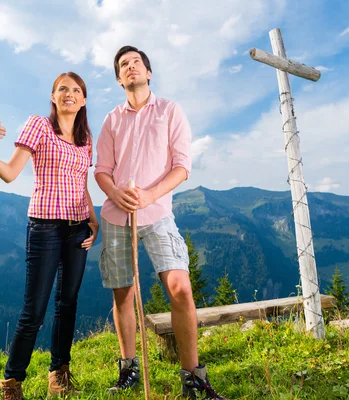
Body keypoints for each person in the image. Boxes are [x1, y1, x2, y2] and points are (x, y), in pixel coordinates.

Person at [94, 46, 226, 399]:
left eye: (136, 62)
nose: (130, 67)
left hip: (157, 213)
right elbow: (102, 171)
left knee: (180, 288)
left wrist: (150, 196)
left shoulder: (170, 111)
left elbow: (182, 166)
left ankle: (193, 376)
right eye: (124, 65)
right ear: (119, 79)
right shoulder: (112, 120)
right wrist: (116, 193)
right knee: (123, 294)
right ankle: (128, 369)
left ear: (148, 72)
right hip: (116, 215)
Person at [0, 72, 99, 400]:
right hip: (44, 227)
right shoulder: (39, 126)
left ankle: (59, 372)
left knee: (68, 303)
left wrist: (93, 218)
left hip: (77, 229)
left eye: (76, 90)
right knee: (35, 309)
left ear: (83, 100)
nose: (69, 94)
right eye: (63, 89)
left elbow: (81, 184)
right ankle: (11, 381)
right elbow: (10, 173)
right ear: (53, 96)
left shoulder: (86, 139)